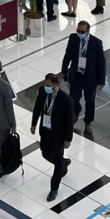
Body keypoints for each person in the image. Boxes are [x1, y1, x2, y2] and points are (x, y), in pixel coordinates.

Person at [30, 72, 74, 201]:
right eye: (45, 85)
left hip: (58, 135)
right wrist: (33, 124)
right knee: (45, 153)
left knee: (57, 162)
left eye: (48, 86)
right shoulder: (42, 92)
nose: (46, 87)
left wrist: (68, 139)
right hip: (45, 131)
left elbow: (69, 121)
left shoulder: (65, 100)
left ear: (55, 85)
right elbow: (37, 108)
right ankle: (63, 163)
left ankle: (54, 189)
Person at [62, 21, 106, 137]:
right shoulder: (73, 38)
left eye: (82, 32)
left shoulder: (96, 43)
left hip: (89, 77)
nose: (79, 34)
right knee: (73, 99)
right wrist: (64, 70)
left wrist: (101, 80)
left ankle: (88, 122)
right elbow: (68, 55)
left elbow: (101, 63)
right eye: (78, 31)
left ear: (88, 32)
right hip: (76, 76)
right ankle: (76, 110)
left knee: (90, 101)